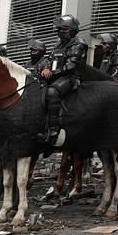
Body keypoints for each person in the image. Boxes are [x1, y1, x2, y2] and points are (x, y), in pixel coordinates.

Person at [39, 15, 89, 144]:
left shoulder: (78, 43)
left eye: (64, 29)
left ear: (73, 29)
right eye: (60, 29)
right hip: (56, 77)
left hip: (70, 78)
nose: (61, 31)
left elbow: (72, 65)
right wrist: (45, 68)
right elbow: (48, 60)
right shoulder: (59, 44)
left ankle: (54, 131)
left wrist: (53, 73)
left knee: (52, 92)